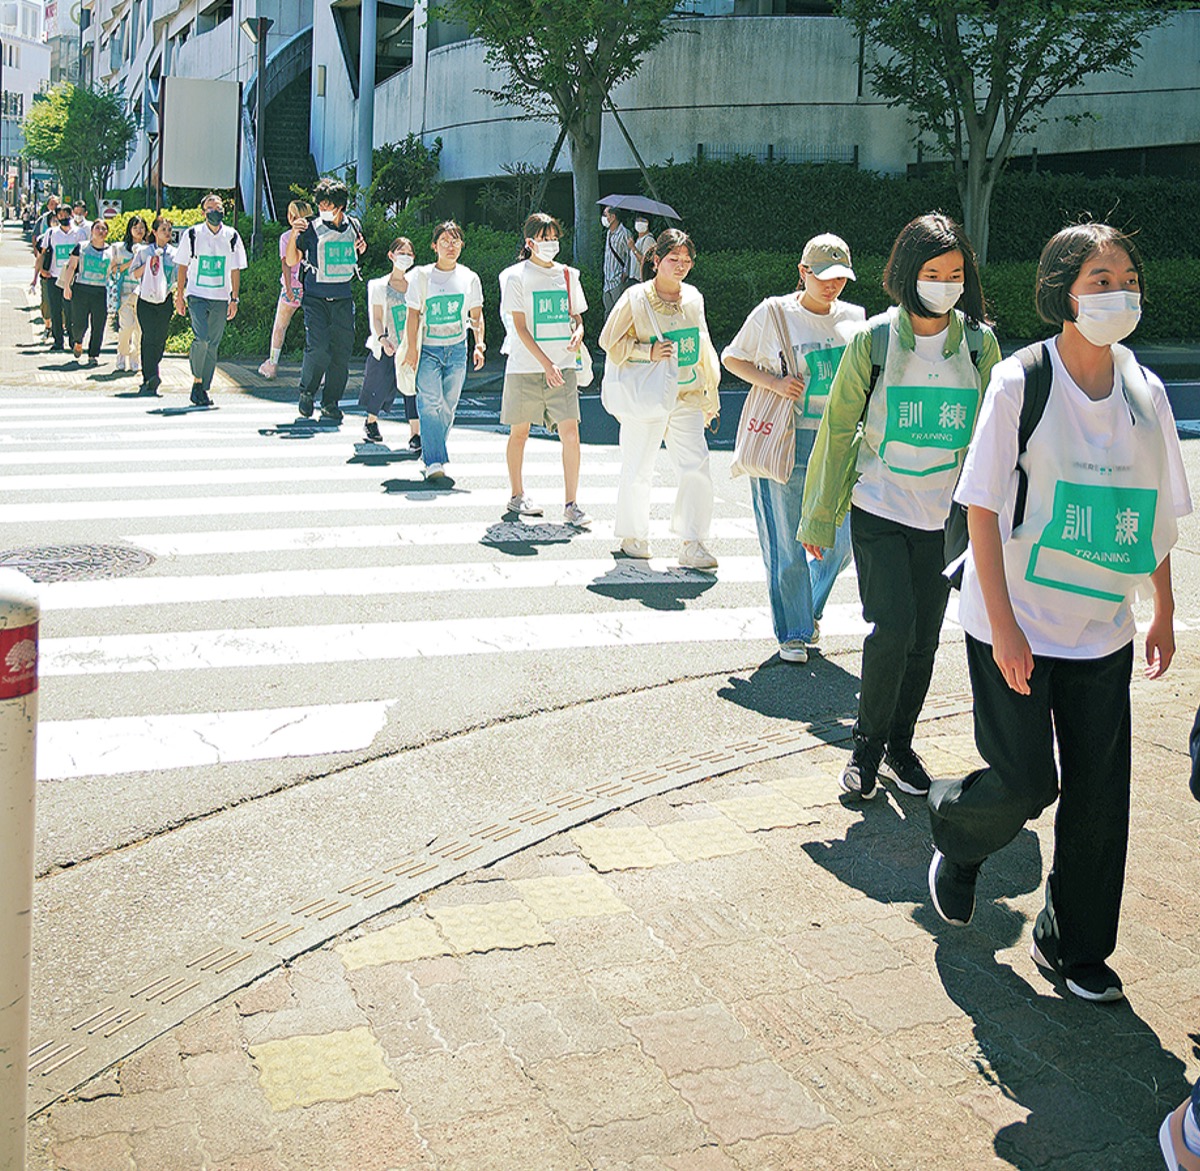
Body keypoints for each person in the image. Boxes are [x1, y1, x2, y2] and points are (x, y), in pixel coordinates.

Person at [925, 224, 1190, 1004]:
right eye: (1102, 279)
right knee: (1025, 781)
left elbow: (1156, 511)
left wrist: (1164, 608)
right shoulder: (1021, 381)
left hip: (1100, 623)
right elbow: (978, 505)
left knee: (1102, 792)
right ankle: (957, 833)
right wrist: (1004, 624)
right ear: (1063, 291)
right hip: (1014, 617)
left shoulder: (1146, 390)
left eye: (1129, 277)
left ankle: (1071, 942)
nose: (1121, 292)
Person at [800, 213, 1001, 799]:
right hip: (881, 506)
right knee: (891, 629)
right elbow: (839, 427)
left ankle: (900, 744)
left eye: (956, 272)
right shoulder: (876, 340)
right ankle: (865, 748)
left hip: (945, 519)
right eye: (933, 272)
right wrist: (819, 514)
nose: (945, 282)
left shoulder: (980, 345)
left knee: (924, 639)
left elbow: (998, 436)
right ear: (907, 274)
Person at [722, 233, 864, 664]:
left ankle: (809, 608)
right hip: (785, 437)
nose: (832, 285)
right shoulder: (775, 313)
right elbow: (733, 358)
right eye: (823, 276)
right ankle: (794, 631)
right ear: (803, 273)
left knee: (843, 541)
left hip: (837, 441)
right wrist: (777, 384)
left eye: (840, 277)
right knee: (786, 542)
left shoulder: (855, 317)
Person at [599, 227, 721, 569]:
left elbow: (703, 347)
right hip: (647, 396)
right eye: (673, 259)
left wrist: (711, 394)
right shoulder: (635, 298)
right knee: (639, 466)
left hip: (687, 395)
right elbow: (609, 341)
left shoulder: (694, 298)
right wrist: (646, 351)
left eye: (686, 260)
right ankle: (633, 535)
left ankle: (693, 542)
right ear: (656, 260)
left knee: (696, 465)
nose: (680, 265)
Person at [500, 212, 591, 527]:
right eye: (544, 238)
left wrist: (579, 332)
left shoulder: (567, 275)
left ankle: (571, 504)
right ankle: (517, 494)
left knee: (571, 433)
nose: (551, 244)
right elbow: (520, 328)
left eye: (554, 238)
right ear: (530, 242)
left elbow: (577, 315)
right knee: (520, 432)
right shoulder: (516, 277)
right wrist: (545, 363)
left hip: (563, 365)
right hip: (526, 367)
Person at [402, 220, 485, 479]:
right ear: (434, 246)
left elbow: (477, 315)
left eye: (456, 241)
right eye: (445, 241)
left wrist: (479, 343)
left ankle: (431, 453)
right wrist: (412, 350)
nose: (451, 246)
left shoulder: (469, 278)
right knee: (429, 404)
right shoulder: (421, 276)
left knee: (448, 405)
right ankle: (435, 462)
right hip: (428, 349)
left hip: (458, 349)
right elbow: (413, 315)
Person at [286, 178, 367, 423]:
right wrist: (293, 235)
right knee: (319, 348)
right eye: (320, 204)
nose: (323, 209)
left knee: (341, 353)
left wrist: (361, 249)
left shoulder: (353, 225)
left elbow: (356, 253)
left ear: (341, 206)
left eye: (328, 204)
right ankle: (307, 392)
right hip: (316, 298)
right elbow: (292, 260)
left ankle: (331, 402)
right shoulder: (310, 228)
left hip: (343, 297)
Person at [173, 193, 248, 407]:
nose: (216, 211)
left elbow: (235, 269)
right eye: (211, 207)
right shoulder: (193, 234)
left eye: (220, 207)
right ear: (203, 211)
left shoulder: (232, 235)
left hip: (221, 297)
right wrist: (179, 295)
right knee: (202, 338)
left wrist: (235, 298)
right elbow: (182, 266)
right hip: (197, 295)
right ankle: (197, 380)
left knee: (213, 344)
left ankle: (203, 388)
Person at [360, 236, 419, 447]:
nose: (405, 257)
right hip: (388, 345)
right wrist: (382, 339)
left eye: (409, 253)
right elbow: (376, 317)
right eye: (401, 253)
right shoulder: (379, 286)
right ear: (391, 255)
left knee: (411, 389)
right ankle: (371, 422)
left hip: (410, 346)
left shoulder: (417, 285)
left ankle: (415, 434)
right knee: (380, 385)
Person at [258, 200, 312, 379]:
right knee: (314, 329)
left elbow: (286, 264)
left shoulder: (286, 237)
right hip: (312, 288)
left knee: (280, 326)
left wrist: (288, 287)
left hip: (292, 288)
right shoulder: (315, 234)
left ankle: (272, 364)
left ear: (291, 216)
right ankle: (318, 370)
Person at [130, 216, 178, 397]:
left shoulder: (175, 253)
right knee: (148, 336)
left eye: (169, 230)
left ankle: (152, 367)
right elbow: (134, 273)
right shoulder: (143, 251)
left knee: (160, 337)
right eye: (163, 229)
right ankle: (150, 375)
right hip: (145, 300)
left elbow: (178, 275)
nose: (167, 233)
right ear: (155, 232)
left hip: (165, 299)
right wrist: (149, 263)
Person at [30, 201, 87, 352]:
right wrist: (41, 270)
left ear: (71, 215)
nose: (63, 217)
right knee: (55, 309)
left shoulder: (79, 233)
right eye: (60, 215)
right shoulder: (51, 233)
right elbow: (43, 252)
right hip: (54, 276)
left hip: (72, 278)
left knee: (71, 310)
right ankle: (58, 341)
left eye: (66, 214)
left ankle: (72, 339)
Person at [59, 217, 113, 367]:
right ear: (91, 231)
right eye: (98, 228)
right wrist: (67, 287)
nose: (101, 231)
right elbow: (71, 267)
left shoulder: (111, 251)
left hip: (100, 291)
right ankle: (78, 341)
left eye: (104, 229)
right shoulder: (81, 247)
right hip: (81, 289)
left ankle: (93, 354)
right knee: (79, 323)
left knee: (99, 324)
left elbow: (115, 269)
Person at [109, 215, 148, 373]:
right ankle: (121, 354)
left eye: (141, 228)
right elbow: (113, 269)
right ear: (129, 229)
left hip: (143, 294)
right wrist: (131, 263)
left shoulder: (149, 249)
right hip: (124, 293)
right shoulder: (119, 248)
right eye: (135, 227)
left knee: (139, 329)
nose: (139, 231)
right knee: (126, 327)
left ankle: (134, 359)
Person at [601, 207, 634, 314]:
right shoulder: (608, 233)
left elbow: (630, 255)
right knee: (608, 313)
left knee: (620, 313)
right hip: (607, 281)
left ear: (613, 217)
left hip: (618, 280)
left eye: (605, 215)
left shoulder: (625, 233)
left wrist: (626, 272)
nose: (603, 218)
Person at [629, 216, 655, 282]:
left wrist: (633, 248)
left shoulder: (648, 240)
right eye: (638, 220)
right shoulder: (637, 240)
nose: (639, 222)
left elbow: (645, 262)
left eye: (642, 220)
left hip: (641, 280)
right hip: (633, 279)